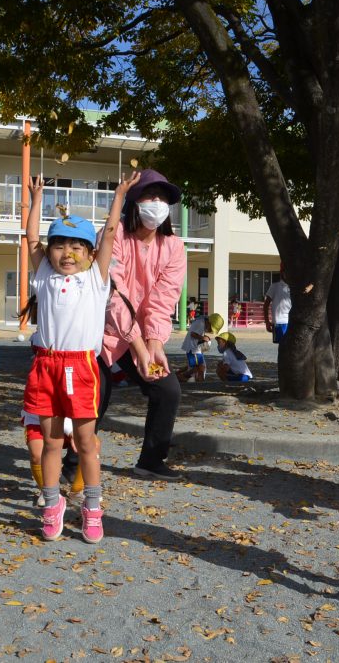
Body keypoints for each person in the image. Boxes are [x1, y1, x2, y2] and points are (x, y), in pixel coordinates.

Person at [25, 170, 138, 543]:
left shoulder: (95, 278)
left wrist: (119, 194)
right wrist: (37, 199)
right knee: (51, 442)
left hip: (80, 368)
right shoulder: (43, 275)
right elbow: (31, 240)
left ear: (90, 254)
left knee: (86, 442)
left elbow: (108, 233)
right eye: (60, 245)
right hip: (45, 365)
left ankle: (92, 508)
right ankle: (52, 503)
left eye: (77, 247)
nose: (67, 253)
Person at [99, 169, 187, 481]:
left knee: (167, 389)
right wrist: (138, 345)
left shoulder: (174, 247)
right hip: (101, 331)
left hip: (140, 335)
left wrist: (154, 344)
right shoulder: (115, 236)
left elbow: (163, 299)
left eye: (163, 198)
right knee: (96, 394)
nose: (158, 203)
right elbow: (113, 295)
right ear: (135, 202)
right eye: (150, 195)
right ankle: (71, 465)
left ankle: (151, 460)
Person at [177, 312, 224, 382]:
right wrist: (203, 338)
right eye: (211, 328)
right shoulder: (201, 324)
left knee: (196, 366)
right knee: (199, 367)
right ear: (209, 322)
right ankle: (183, 376)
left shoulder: (202, 321)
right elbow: (193, 334)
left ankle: (179, 375)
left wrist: (203, 338)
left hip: (195, 348)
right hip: (193, 349)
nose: (210, 330)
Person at [264, 268, 291, 343]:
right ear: (283, 273)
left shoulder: (294, 287)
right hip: (279, 322)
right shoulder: (275, 286)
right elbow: (266, 305)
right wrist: (267, 322)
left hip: (292, 322)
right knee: (282, 346)